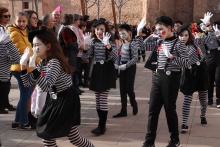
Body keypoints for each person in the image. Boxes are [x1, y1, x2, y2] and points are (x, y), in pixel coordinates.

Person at [19, 27, 94, 147]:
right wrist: (23, 66)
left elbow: (47, 86)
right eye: (33, 45)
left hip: (66, 100)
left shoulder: (54, 62)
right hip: (55, 99)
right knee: (48, 136)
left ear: (48, 46)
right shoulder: (42, 62)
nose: (34, 48)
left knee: (73, 137)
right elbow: (27, 83)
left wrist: (33, 70)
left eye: (38, 45)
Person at [142, 16, 191, 147]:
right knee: (153, 109)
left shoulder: (179, 43)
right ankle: (149, 140)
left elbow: (187, 63)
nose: (158, 32)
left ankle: (175, 139)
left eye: (160, 29)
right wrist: (148, 35)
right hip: (157, 78)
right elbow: (142, 46)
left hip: (171, 78)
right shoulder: (159, 41)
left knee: (170, 109)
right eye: (157, 30)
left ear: (169, 28)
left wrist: (172, 57)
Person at [82, 18, 118, 135]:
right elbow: (85, 57)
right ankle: (101, 124)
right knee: (97, 99)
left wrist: (107, 44)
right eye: (97, 29)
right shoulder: (94, 42)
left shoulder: (110, 42)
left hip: (106, 70)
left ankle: (101, 126)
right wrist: (86, 45)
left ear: (106, 30)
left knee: (102, 99)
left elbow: (115, 57)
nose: (99, 32)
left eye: (101, 29)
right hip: (97, 70)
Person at [177, 24, 215, 133]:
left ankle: (203, 115)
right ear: (178, 36)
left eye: (185, 35)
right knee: (187, 99)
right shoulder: (177, 47)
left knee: (203, 97)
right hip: (189, 72)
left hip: (201, 71)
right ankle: (184, 123)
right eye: (181, 36)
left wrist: (209, 27)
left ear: (189, 35)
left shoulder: (195, 42)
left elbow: (210, 38)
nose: (183, 38)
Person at [8, 12, 36, 129]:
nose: (22, 23)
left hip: (25, 67)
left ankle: (17, 121)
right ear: (15, 21)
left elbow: (29, 49)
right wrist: (37, 59)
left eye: (24, 21)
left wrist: (37, 58)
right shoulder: (15, 33)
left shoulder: (22, 32)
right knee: (25, 94)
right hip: (20, 68)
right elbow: (23, 50)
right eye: (19, 21)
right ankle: (24, 122)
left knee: (25, 94)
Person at [112, 21, 144, 118]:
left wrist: (126, 65)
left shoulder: (133, 43)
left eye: (123, 33)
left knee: (129, 88)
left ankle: (134, 103)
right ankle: (123, 110)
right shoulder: (121, 44)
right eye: (120, 33)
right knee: (122, 89)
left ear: (129, 32)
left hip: (130, 68)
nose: (122, 35)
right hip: (122, 67)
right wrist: (116, 63)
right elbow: (119, 55)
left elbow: (135, 58)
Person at [199, 12, 220, 108]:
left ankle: (218, 99)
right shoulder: (202, 36)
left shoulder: (215, 34)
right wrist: (204, 59)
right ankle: (210, 99)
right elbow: (202, 50)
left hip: (219, 58)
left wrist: (218, 36)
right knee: (209, 80)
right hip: (209, 58)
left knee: (218, 79)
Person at [0, 6, 17, 114]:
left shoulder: (5, 28)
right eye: (5, 16)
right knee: (3, 85)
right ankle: (1, 106)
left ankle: (5, 103)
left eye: (9, 16)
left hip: (6, 60)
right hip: (2, 60)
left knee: (6, 83)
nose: (8, 18)